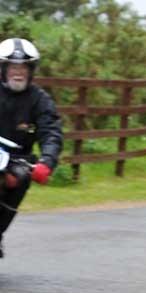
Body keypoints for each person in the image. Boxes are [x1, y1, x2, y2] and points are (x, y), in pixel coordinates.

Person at [0, 37, 62, 258]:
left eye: (24, 67)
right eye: (14, 66)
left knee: (17, 179)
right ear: (4, 69)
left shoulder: (39, 99)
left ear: (31, 71)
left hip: (18, 158)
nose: (18, 72)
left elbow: (51, 131)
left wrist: (47, 161)